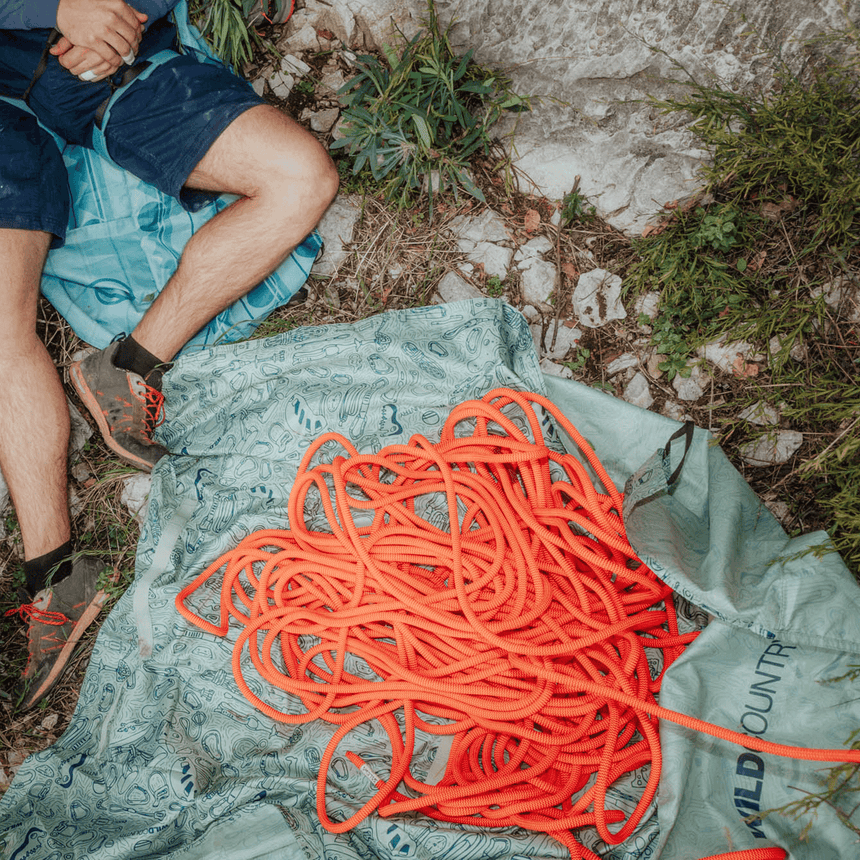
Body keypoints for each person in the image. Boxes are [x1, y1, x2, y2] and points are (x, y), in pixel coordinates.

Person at [0, 0, 339, 708]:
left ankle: (130, 366)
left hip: (116, 69)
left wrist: (118, 16)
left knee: (301, 177)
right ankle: (56, 575)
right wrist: (58, 8)